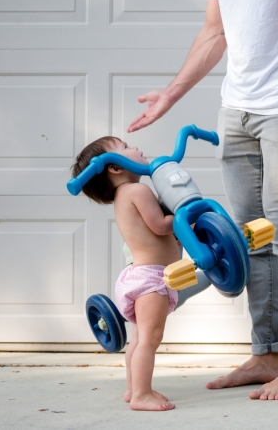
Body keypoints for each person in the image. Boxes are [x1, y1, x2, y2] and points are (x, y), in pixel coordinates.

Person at [127, 0, 278, 400]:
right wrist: (171, 94)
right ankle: (266, 356)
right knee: (251, 235)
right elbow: (215, 32)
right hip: (236, 108)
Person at [71, 137, 178, 411]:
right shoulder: (137, 191)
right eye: (127, 146)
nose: (137, 148)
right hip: (151, 279)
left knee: (139, 339)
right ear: (115, 167)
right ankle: (142, 395)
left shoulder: (123, 196)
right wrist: (183, 215)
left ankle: (133, 389)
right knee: (150, 340)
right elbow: (161, 226)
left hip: (135, 276)